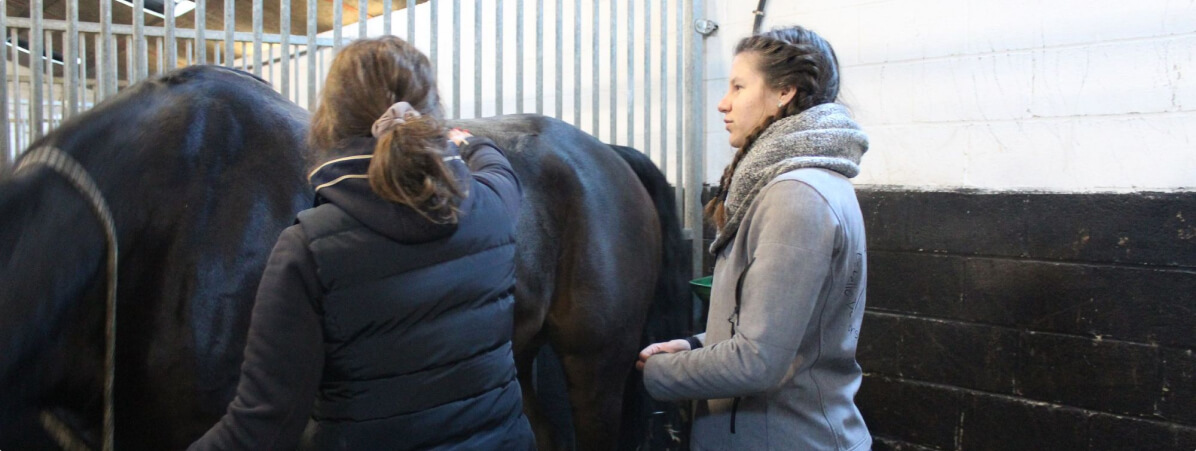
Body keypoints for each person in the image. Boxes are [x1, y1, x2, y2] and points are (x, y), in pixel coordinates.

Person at [190, 36, 534, 450]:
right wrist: (464, 140)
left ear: (330, 123)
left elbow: (262, 428)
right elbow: (499, 166)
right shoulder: (494, 205)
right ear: (431, 118)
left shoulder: (309, 248)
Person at [636, 26, 872, 450]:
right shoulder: (802, 184)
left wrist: (653, 374)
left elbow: (758, 362)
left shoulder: (796, 197)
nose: (723, 104)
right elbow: (783, 330)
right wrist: (693, 346)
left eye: (739, 87)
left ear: (784, 91)